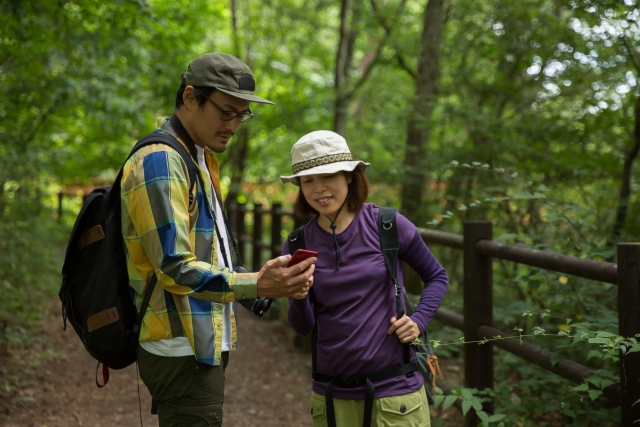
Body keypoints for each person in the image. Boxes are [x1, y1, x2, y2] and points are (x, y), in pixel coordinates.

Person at [120, 53, 316, 427]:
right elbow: (174, 266)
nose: (234, 125)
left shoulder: (200, 157)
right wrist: (255, 282)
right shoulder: (161, 160)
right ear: (191, 97)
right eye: (227, 112)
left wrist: (261, 282)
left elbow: (211, 250)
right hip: (180, 346)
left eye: (242, 115)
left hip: (198, 342)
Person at [280, 130, 448, 427]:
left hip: (395, 395)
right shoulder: (297, 244)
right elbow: (303, 327)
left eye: (328, 175)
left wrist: (418, 320)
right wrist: (298, 294)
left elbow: (436, 275)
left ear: (349, 176)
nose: (319, 188)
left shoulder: (387, 225)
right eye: (308, 180)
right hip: (330, 396)